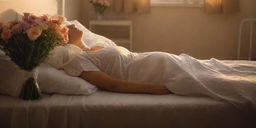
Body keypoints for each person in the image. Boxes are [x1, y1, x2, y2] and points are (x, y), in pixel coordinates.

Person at [46, 24, 256, 110]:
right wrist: (156, 89)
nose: (70, 24)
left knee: (223, 69)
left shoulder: (85, 48)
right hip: (160, 74)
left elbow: (98, 54)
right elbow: (113, 85)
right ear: (60, 38)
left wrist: (79, 42)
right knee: (224, 84)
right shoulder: (76, 62)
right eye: (63, 26)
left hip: (168, 62)